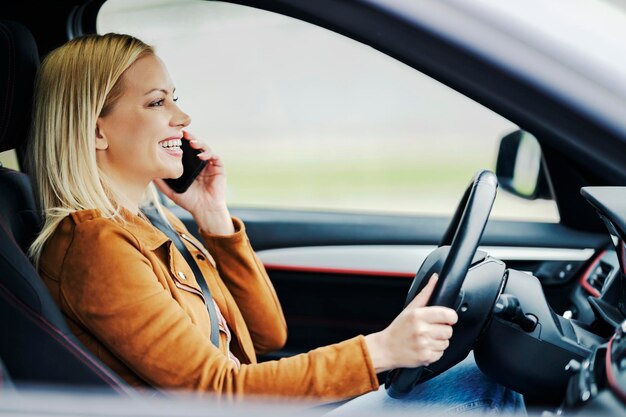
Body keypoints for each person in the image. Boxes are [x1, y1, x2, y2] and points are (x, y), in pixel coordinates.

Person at [28, 33, 524, 414]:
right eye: (158, 102)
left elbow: (266, 336)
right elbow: (217, 391)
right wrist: (382, 350)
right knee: (496, 383)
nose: (182, 116)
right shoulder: (96, 246)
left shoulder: (149, 228)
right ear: (95, 128)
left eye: (174, 97)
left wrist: (212, 216)